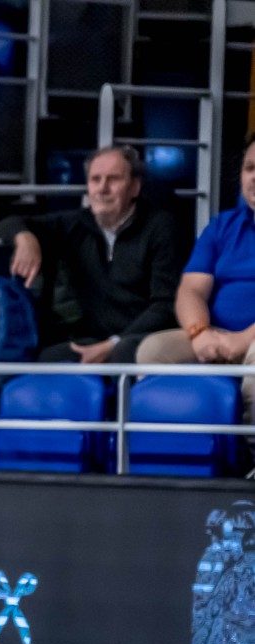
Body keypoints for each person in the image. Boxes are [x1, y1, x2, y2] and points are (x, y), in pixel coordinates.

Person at [0, 146, 178, 364]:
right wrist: (24, 238)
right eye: (95, 179)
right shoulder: (75, 224)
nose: (102, 188)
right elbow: (4, 223)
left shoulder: (161, 227)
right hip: (91, 341)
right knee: (42, 361)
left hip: (142, 340)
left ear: (134, 187)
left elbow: (165, 305)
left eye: (113, 179)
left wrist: (113, 345)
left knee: (123, 353)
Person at [137, 133, 255, 425]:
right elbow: (191, 290)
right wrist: (200, 332)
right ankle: (178, 445)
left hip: (250, 340)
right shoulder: (222, 226)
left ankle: (247, 450)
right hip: (218, 335)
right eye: (250, 168)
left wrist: (243, 339)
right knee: (153, 351)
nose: (254, 177)